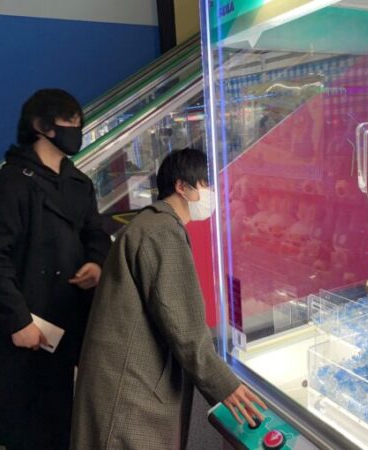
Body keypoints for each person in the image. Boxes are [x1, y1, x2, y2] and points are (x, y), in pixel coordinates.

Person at [71, 148, 266, 450]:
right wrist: (226, 386)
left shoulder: (151, 224)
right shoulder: (162, 232)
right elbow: (183, 325)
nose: (211, 193)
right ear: (181, 186)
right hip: (130, 392)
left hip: (119, 380)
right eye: (205, 184)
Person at [0, 89, 110, 449]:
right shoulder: (8, 185)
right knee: (28, 425)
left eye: (79, 123)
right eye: (68, 123)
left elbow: (95, 232)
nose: (76, 131)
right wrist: (18, 322)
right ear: (41, 126)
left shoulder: (78, 182)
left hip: (67, 314)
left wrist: (95, 262)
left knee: (63, 417)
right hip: (27, 320)